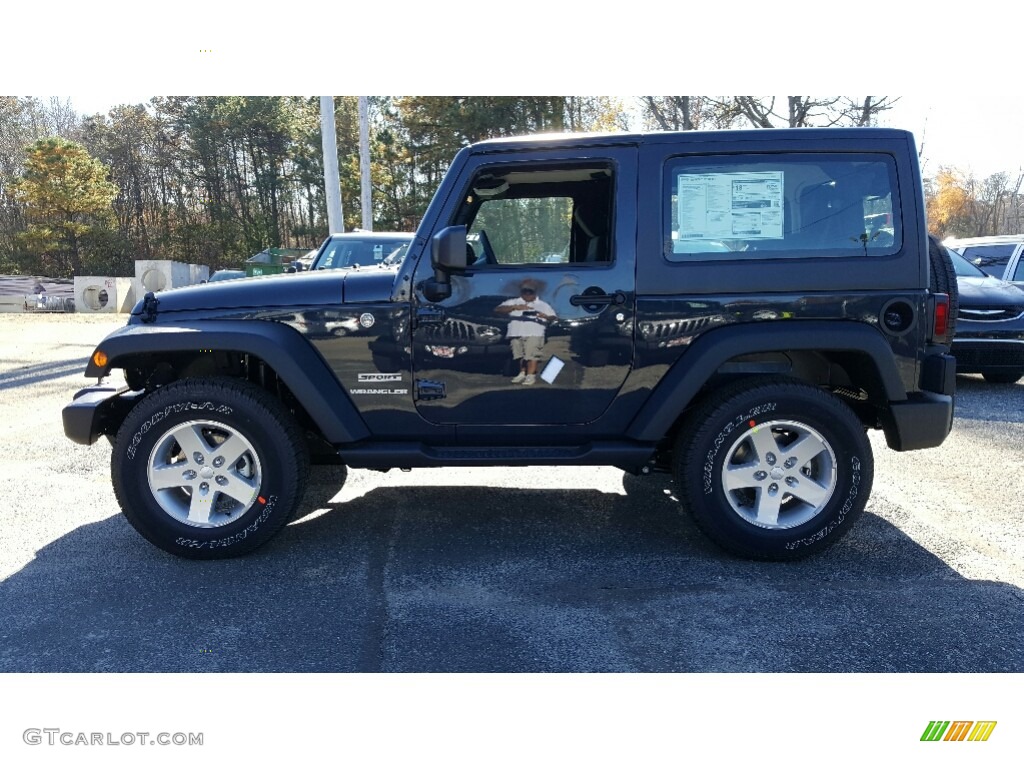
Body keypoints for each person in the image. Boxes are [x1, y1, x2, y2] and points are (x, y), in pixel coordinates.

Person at [495, 281, 557, 385]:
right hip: (516, 332)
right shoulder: (513, 302)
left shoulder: (542, 305)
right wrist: (514, 307)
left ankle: (530, 376)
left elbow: (553, 317)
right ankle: (522, 373)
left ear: (535, 293)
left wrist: (544, 316)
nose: (527, 294)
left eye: (530, 292)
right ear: (521, 292)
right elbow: (497, 310)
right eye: (525, 291)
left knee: (532, 355)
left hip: (534, 333)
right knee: (520, 356)